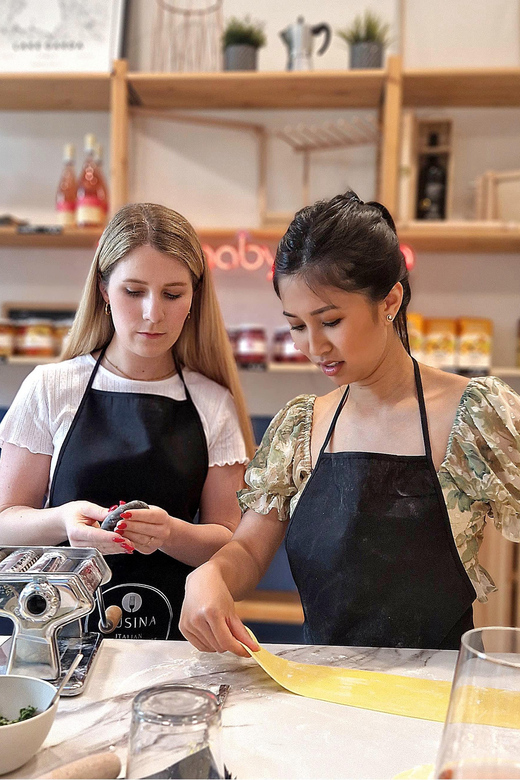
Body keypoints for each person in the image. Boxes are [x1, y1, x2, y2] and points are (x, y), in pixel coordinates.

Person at [179, 191, 520, 655]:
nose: (313, 346)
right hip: (324, 693)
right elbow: (249, 551)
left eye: (331, 320)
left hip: (434, 699)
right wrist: (212, 574)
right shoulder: (302, 428)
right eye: (297, 326)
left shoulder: (472, 416)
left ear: (389, 301)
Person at [0, 203, 256, 640]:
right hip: (59, 639)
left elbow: (234, 543)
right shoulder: (51, 387)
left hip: (176, 642)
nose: (152, 313)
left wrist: (172, 533)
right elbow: (5, 522)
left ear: (194, 296)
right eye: (133, 291)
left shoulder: (213, 403)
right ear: (103, 288)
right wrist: (62, 521)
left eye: (172, 294)